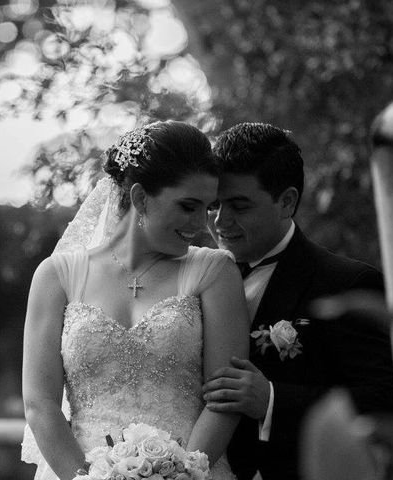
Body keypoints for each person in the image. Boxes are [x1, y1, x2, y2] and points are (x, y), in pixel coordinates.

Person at [21, 121, 249, 480]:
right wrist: (87, 479)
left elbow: (223, 399)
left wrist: (183, 473)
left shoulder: (214, 272)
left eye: (208, 207)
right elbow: (40, 405)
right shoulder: (57, 276)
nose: (203, 224)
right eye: (188, 206)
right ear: (141, 197)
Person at [203, 122, 393, 480]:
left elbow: (384, 401)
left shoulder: (347, 284)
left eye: (238, 206)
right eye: (213, 204)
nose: (220, 220)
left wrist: (272, 399)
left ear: (287, 201)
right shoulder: (187, 276)